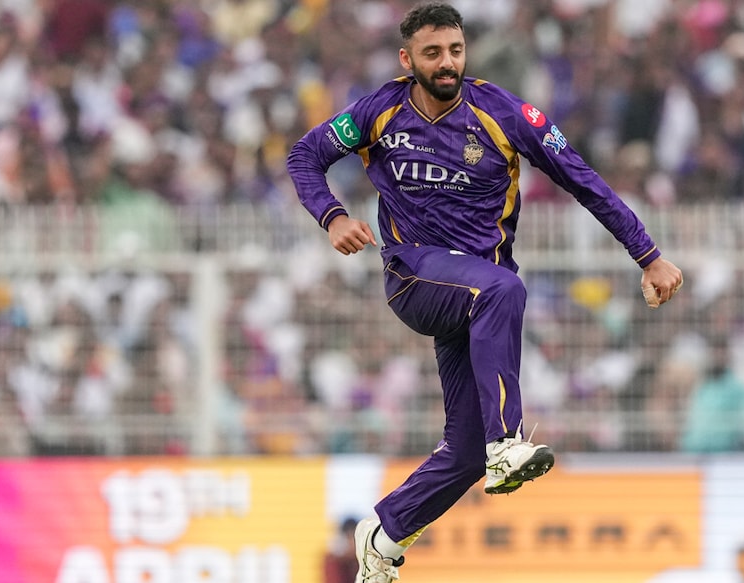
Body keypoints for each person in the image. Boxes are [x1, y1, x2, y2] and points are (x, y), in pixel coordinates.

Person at [286, 3, 683, 582]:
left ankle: (385, 533)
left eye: (454, 50)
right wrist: (331, 215)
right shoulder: (378, 111)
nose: (446, 63)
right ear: (407, 59)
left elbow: (585, 181)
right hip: (416, 278)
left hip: (472, 300)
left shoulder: (506, 113)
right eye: (432, 53)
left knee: (464, 450)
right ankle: (508, 443)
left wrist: (648, 255)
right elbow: (304, 155)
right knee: (504, 289)